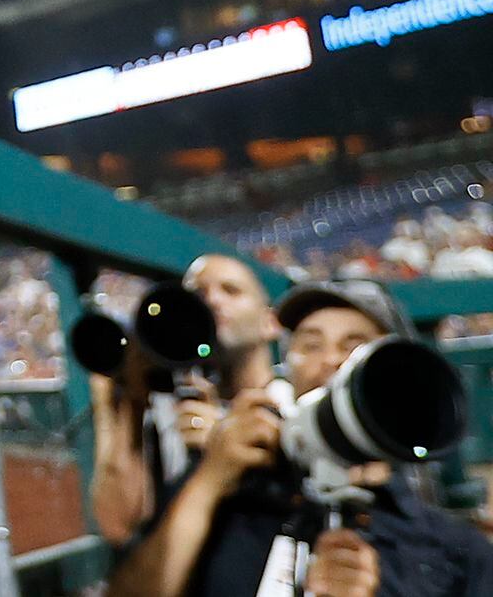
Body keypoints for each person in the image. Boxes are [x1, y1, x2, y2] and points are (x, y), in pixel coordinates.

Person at [108, 280, 493, 597]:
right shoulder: (227, 487)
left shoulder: (457, 553)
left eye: (354, 346)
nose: (330, 360)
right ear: (286, 367)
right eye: (310, 344)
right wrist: (208, 481)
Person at [94, 251, 285, 542]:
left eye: (231, 290)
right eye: (198, 294)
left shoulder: (295, 404)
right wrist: (130, 403)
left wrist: (221, 453)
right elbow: (118, 527)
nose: (212, 301)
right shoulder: (170, 413)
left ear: (270, 322)